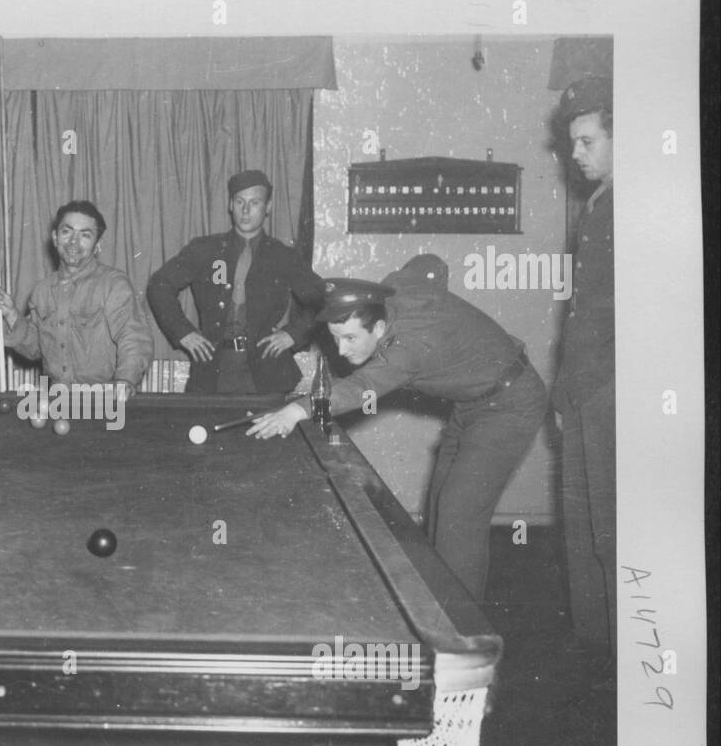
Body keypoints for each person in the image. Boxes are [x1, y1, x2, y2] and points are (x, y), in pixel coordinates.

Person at [248, 256, 548, 603]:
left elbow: (361, 388)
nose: (342, 351)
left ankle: (461, 628)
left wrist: (296, 410)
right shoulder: (391, 292)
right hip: (473, 401)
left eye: (349, 338)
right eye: (335, 337)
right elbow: (426, 265)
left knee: (458, 514)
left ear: (378, 328)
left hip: (510, 406)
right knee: (439, 503)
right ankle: (442, 598)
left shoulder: (409, 349)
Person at [146, 169, 325, 393]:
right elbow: (159, 285)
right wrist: (183, 332)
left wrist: (293, 333)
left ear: (268, 207)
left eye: (255, 202)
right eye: (240, 201)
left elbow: (322, 298)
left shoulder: (283, 256)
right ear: (231, 204)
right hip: (211, 371)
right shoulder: (205, 249)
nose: (246, 210)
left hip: (267, 373)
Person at [552, 77, 615, 652]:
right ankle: (595, 651)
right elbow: (580, 314)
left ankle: (623, 661)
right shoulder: (597, 207)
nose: (575, 154)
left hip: (614, 395)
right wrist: (565, 395)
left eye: (587, 141)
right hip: (584, 393)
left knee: (612, 533)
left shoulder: (632, 207)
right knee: (583, 529)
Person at [0, 200, 153, 393]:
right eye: (67, 232)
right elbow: (35, 349)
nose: (73, 242)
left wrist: (125, 381)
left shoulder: (113, 284)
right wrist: (11, 315)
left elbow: (133, 337)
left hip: (103, 399)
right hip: (58, 400)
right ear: (55, 238)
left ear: (97, 245)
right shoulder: (42, 291)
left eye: (85, 235)